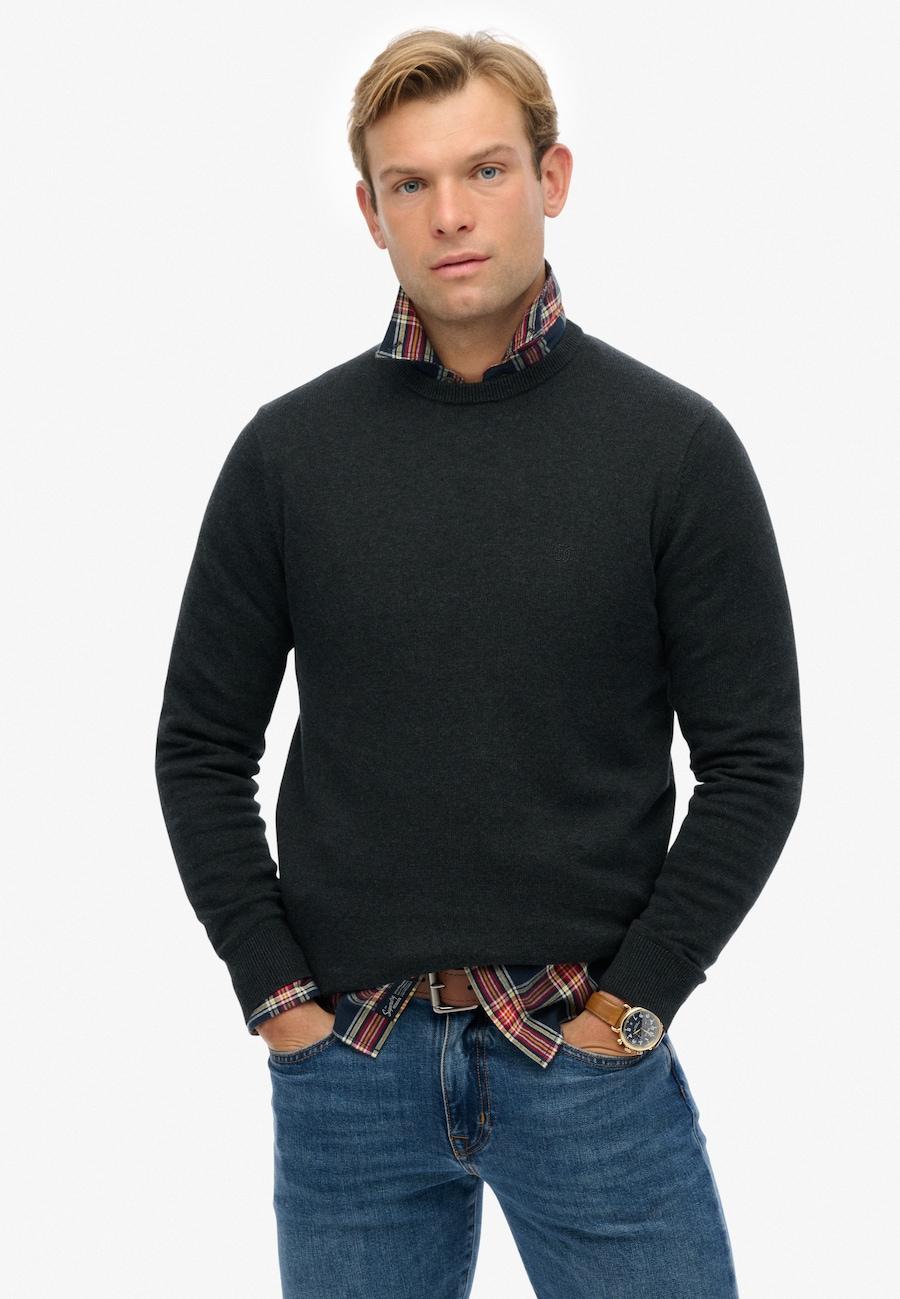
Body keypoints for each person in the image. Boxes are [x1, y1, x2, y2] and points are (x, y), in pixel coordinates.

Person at [155, 27, 803, 1299]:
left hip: (585, 1057)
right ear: (370, 212)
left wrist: (633, 1008)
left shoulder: (672, 449)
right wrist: (278, 996)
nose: (450, 213)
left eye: (486, 171)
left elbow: (755, 765)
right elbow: (200, 748)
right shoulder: (288, 456)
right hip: (350, 1064)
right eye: (411, 183)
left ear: (552, 178)